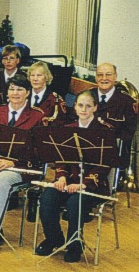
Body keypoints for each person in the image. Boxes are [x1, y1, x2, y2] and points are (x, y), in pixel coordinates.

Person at [34, 90, 114, 263]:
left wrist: (83, 184)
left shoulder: (104, 131)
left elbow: (104, 165)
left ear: (95, 108)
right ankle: (54, 239)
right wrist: (61, 177)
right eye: (80, 105)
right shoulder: (67, 129)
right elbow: (61, 158)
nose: (84, 109)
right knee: (47, 198)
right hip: (68, 182)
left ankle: (74, 244)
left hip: (93, 185)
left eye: (88, 106)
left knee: (74, 203)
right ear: (75, 107)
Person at [0, 74, 45, 257]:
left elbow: (39, 150)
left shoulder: (37, 116)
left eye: (20, 89)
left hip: (21, 166)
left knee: (0, 182)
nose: (15, 93)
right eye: (12, 89)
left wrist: (12, 162)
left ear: (27, 93)